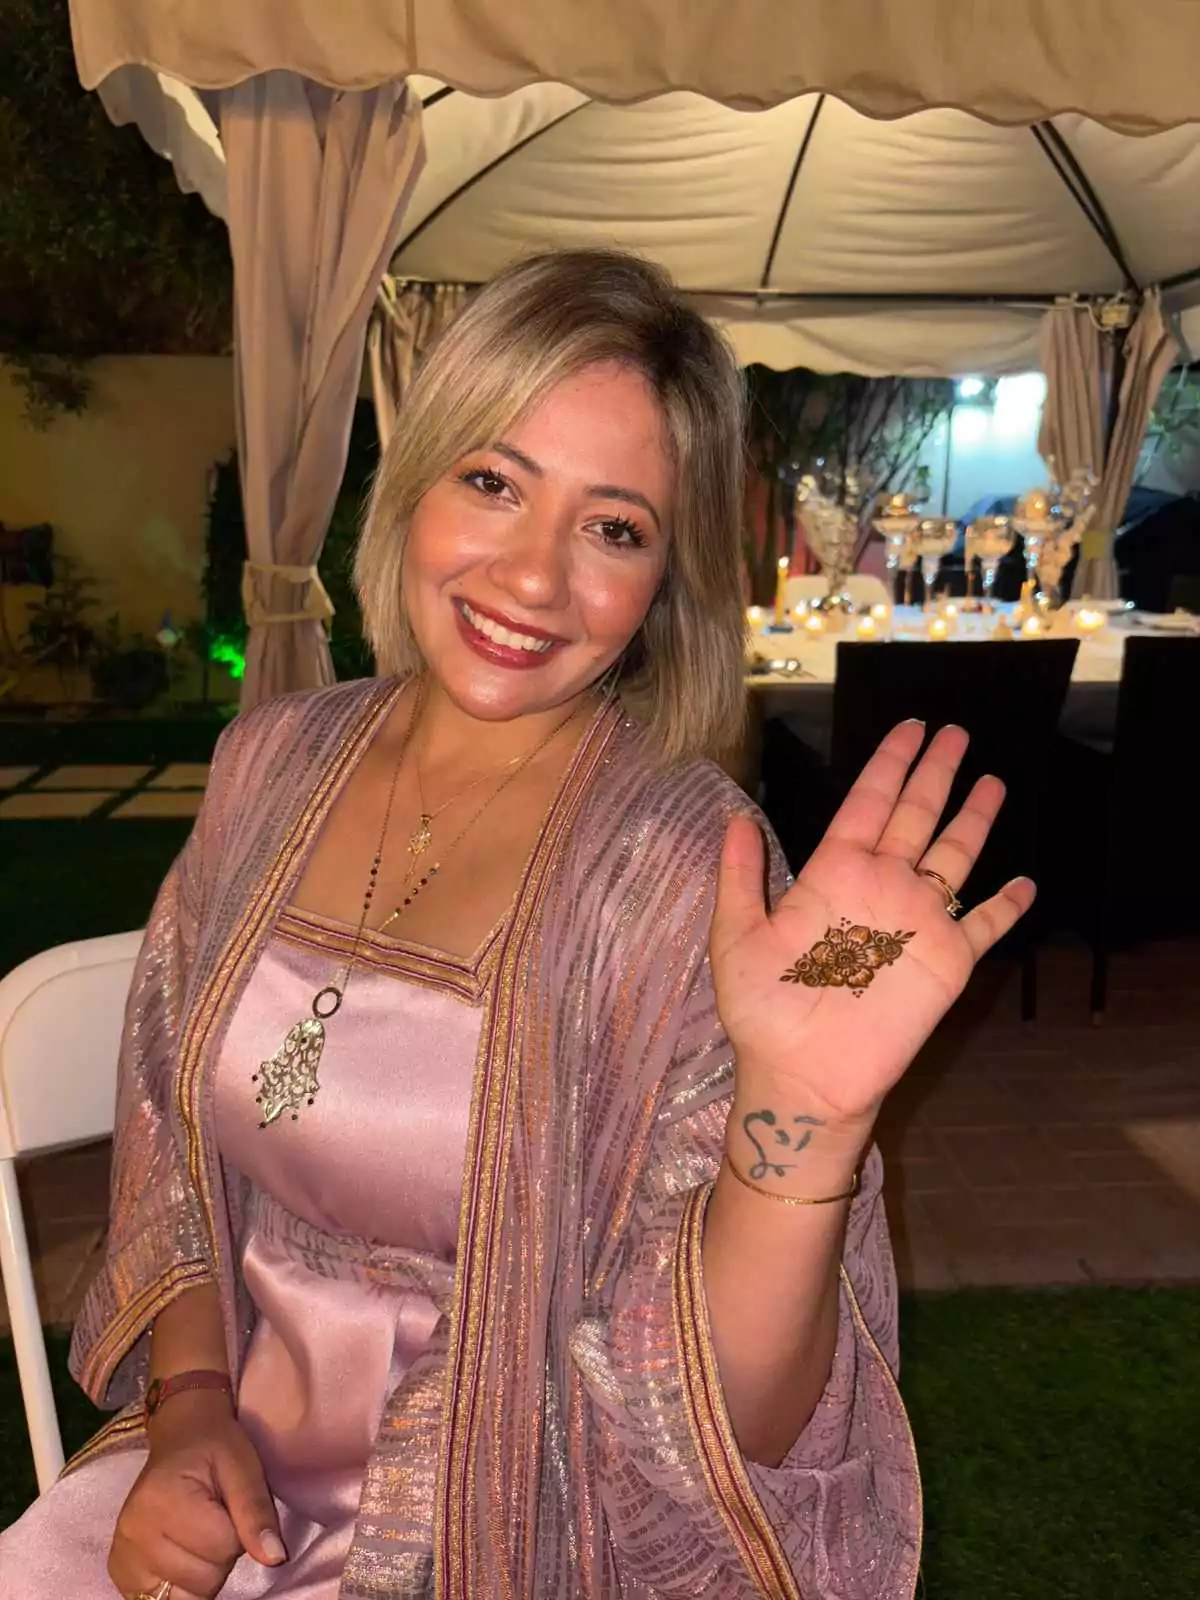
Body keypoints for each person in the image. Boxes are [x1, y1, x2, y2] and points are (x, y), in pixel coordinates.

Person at [0, 249, 1032, 1599]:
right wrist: (188, 1408)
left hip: (511, 1534)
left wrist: (807, 1120)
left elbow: (731, 1419)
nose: (534, 578)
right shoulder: (270, 764)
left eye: (615, 529)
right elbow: (175, 1154)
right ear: (415, 481)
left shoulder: (684, 869)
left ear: (665, 584)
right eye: (494, 482)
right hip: (215, 1476)